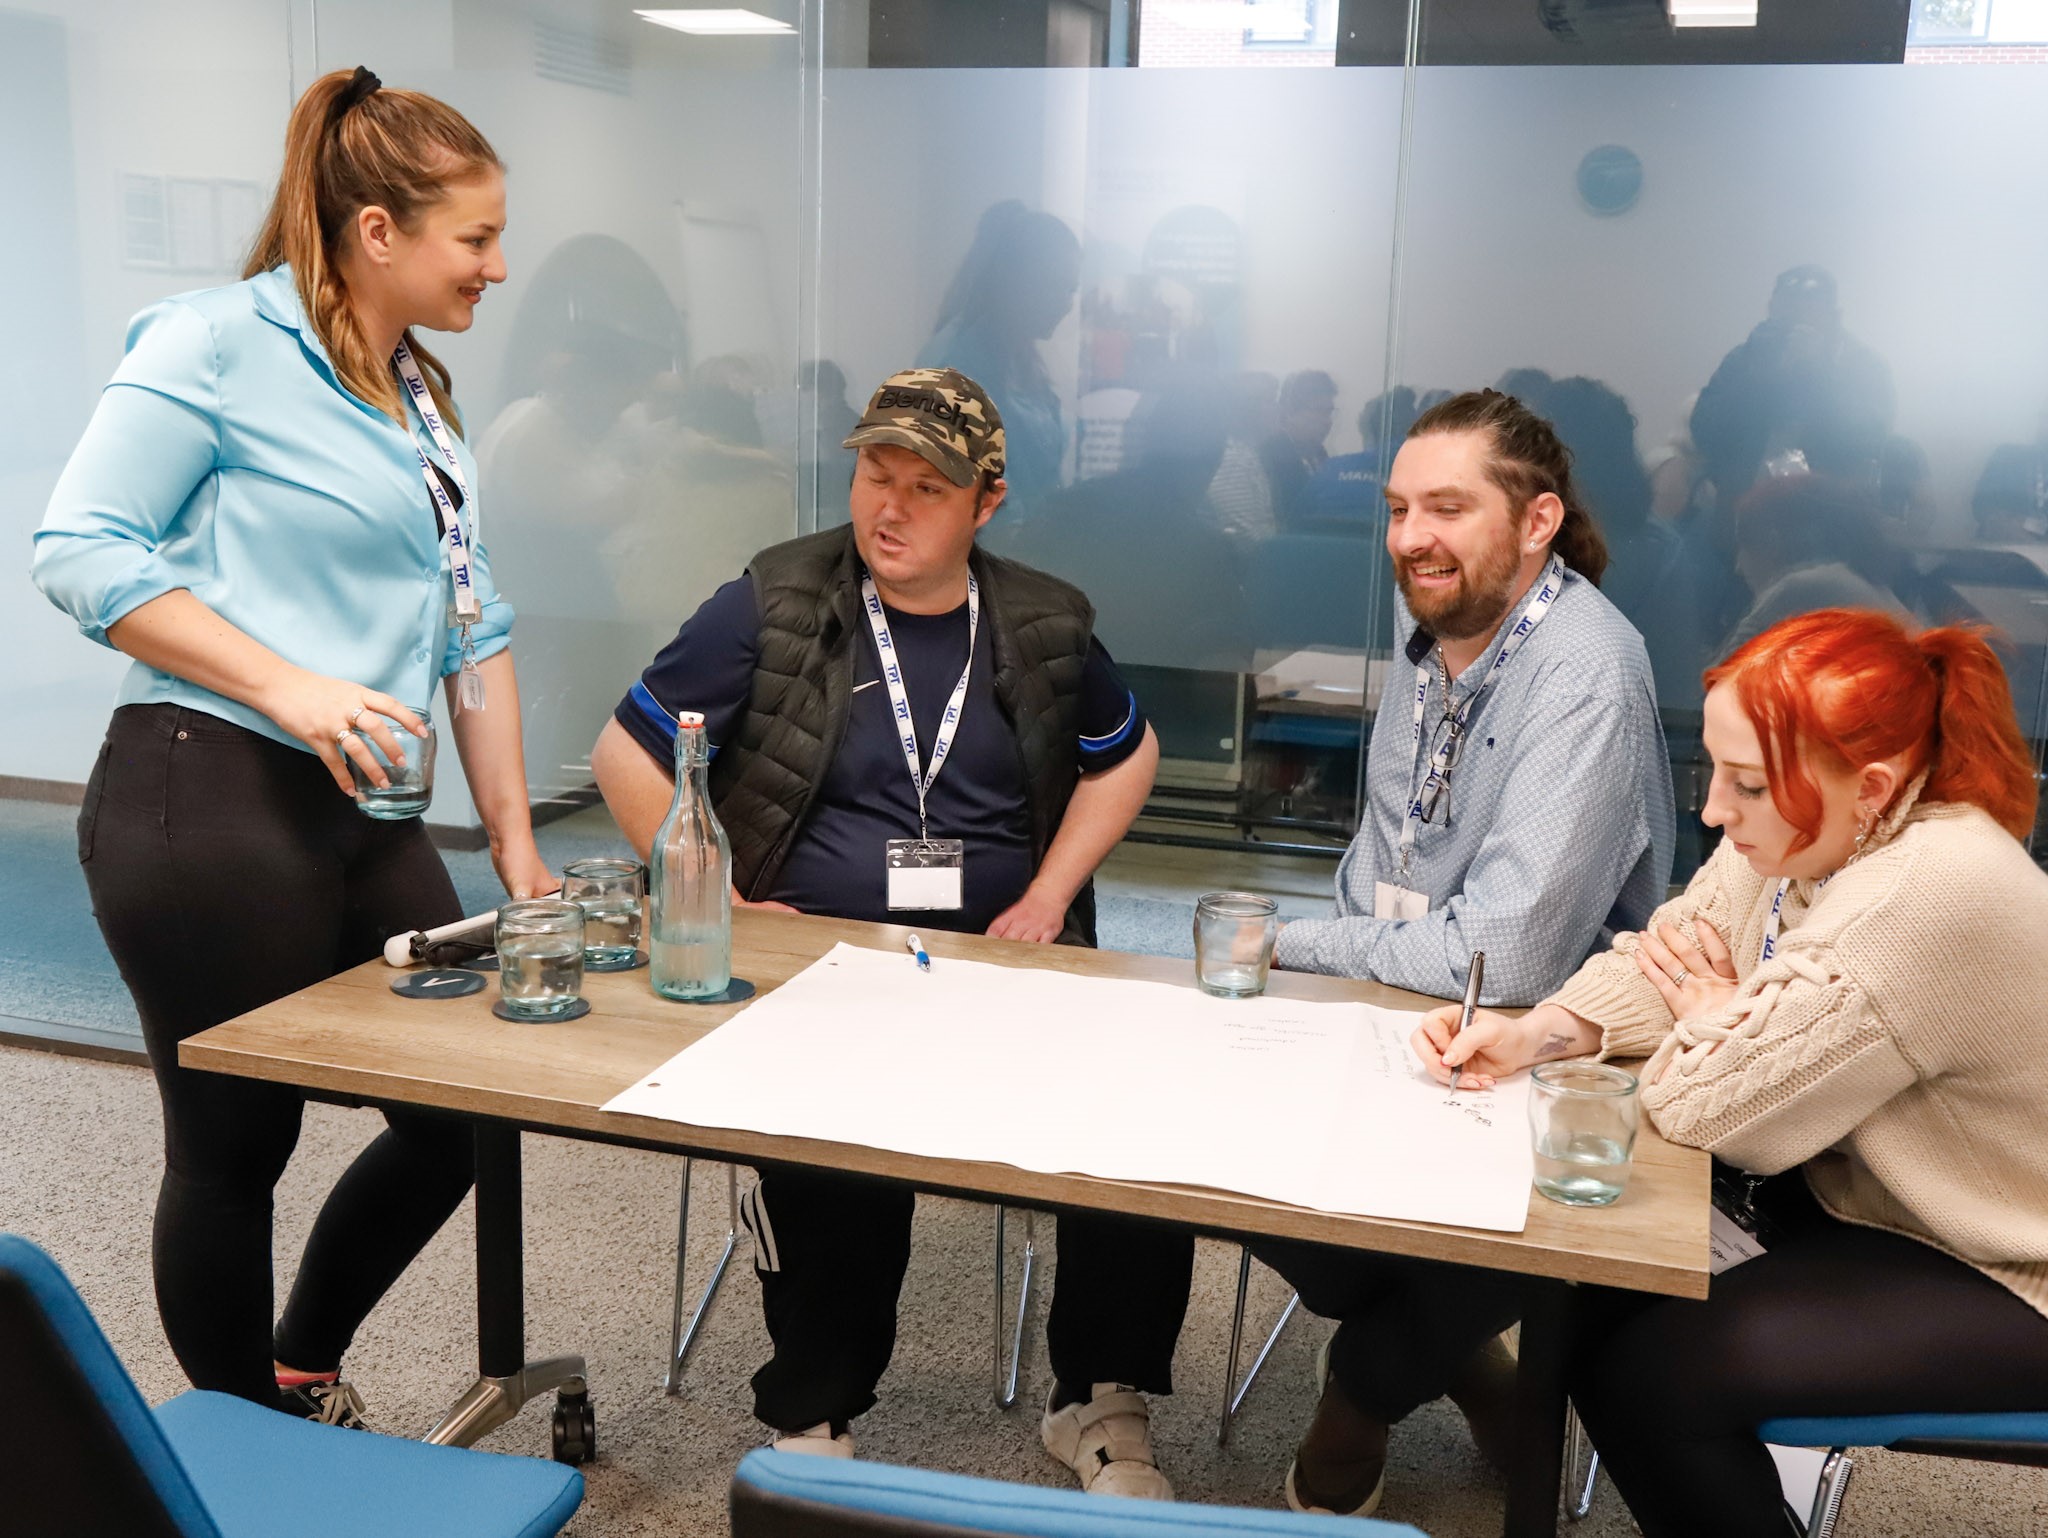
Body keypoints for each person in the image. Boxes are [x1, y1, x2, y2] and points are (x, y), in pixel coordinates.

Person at [30, 68, 547, 1422]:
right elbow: (79, 548)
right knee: (233, 1144)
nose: (498, 265)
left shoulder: (419, 401)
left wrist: (516, 846)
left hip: (363, 812)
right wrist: (292, 685)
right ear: (378, 230)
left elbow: (474, 623)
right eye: (476, 237)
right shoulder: (213, 342)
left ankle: (298, 1360)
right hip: (205, 782)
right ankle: (243, 1447)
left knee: (458, 1117)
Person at [588, 368, 1181, 1496]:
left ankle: (1098, 1399)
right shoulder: (770, 602)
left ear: (985, 503)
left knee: (1132, 1121)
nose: (888, 509)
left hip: (1005, 965)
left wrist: (1050, 893)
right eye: (874, 476)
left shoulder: (1044, 621)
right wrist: (714, 898)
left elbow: (1127, 754)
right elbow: (627, 750)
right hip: (822, 967)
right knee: (828, 1132)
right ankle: (813, 1405)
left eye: (925, 488)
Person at [1420, 607, 2048, 1538]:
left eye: (1746, 785)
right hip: (1872, 1206)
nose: (1715, 810)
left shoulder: (1927, 888)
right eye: (1717, 771)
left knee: (1660, 1378)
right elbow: (1677, 949)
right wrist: (1541, 1033)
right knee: (1592, 1303)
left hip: (2009, 1261)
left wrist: (1717, 1018)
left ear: (1872, 787)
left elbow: (1707, 1106)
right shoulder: (1811, 825)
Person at [1247, 388, 1675, 1515]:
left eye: (1445, 507)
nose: (1410, 537)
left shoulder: (1584, 668)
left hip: (1543, 1051)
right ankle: (1475, 1368)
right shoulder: (1435, 633)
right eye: (1397, 509)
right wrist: (1359, 951)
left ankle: (1364, 1387)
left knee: (1423, 1253)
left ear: (1537, 521)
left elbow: (1507, 955)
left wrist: (1293, 943)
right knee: (1228, 1154)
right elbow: (1373, 857)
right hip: (1402, 1001)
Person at [919, 201, 1081, 511]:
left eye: (1071, 289)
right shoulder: (958, 364)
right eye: (1056, 286)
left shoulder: (1019, 354)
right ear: (1015, 281)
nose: (1067, 303)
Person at [1260, 369, 1337, 524]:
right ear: (1290, 411)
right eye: (1319, 412)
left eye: (1329, 413)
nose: (1327, 421)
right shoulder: (1271, 453)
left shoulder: (1319, 454)